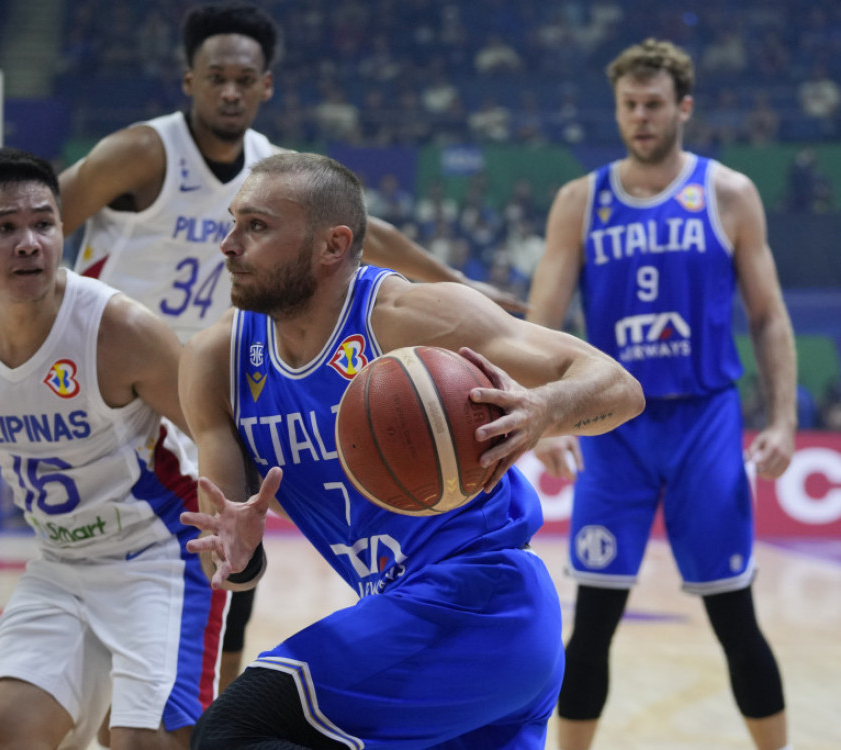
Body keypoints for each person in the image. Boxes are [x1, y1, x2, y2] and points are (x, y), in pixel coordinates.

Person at [56, 1, 527, 715]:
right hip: (128, 388)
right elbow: (44, 213)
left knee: (228, 554)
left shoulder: (269, 170)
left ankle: (206, 714)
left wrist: (458, 286)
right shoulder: (143, 152)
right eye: (217, 77)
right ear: (190, 81)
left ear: (265, 86)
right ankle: (117, 706)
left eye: (245, 79)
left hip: (218, 376)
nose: (231, 92)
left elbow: (374, 228)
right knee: (127, 566)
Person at [177, 151, 645, 748]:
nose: (228, 244)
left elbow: (621, 389)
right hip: (418, 626)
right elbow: (224, 565)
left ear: (332, 245)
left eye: (257, 227)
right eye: (234, 221)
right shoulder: (215, 362)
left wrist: (543, 411)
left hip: (484, 600)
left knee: (236, 731)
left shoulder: (410, 316)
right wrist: (238, 556)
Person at [0, 148, 222, 750]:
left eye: (43, 223)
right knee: (4, 733)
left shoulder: (121, 330)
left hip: (160, 558)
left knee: (144, 743)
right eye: (6, 228)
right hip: (61, 566)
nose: (29, 242)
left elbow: (218, 432)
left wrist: (247, 522)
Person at [525, 39, 797, 750]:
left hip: (705, 422)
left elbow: (768, 317)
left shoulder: (729, 192)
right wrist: (547, 419)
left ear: (683, 108)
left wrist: (785, 418)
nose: (640, 117)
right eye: (629, 105)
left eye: (653, 105)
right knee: (593, 624)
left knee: (734, 616)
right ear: (617, 110)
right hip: (612, 426)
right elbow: (540, 324)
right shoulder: (580, 201)